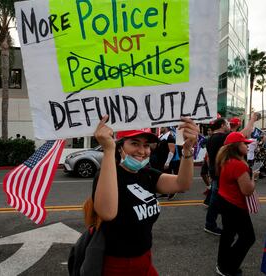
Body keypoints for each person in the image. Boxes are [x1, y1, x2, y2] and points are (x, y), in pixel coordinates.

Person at [84, 115, 199, 275]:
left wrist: (187, 150)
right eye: (134, 144)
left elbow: (182, 184)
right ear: (120, 147)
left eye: (146, 145)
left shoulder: (146, 173)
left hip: (145, 258)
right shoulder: (108, 175)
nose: (142, 151)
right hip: (117, 265)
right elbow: (107, 213)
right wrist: (108, 149)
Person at [204, 113, 258, 235]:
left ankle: (216, 224)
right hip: (221, 173)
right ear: (223, 125)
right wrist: (253, 119)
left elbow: (207, 158)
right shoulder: (221, 137)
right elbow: (243, 135)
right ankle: (212, 224)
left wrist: (210, 170)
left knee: (217, 198)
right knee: (220, 200)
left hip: (215, 172)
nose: (230, 126)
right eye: (228, 124)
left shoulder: (211, 138)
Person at [215, 132, 257, 276]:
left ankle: (222, 265)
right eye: (244, 143)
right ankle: (228, 267)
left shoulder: (225, 161)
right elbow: (247, 190)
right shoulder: (239, 165)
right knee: (248, 237)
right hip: (235, 205)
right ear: (236, 147)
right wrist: (253, 179)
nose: (247, 145)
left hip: (224, 201)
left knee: (228, 234)